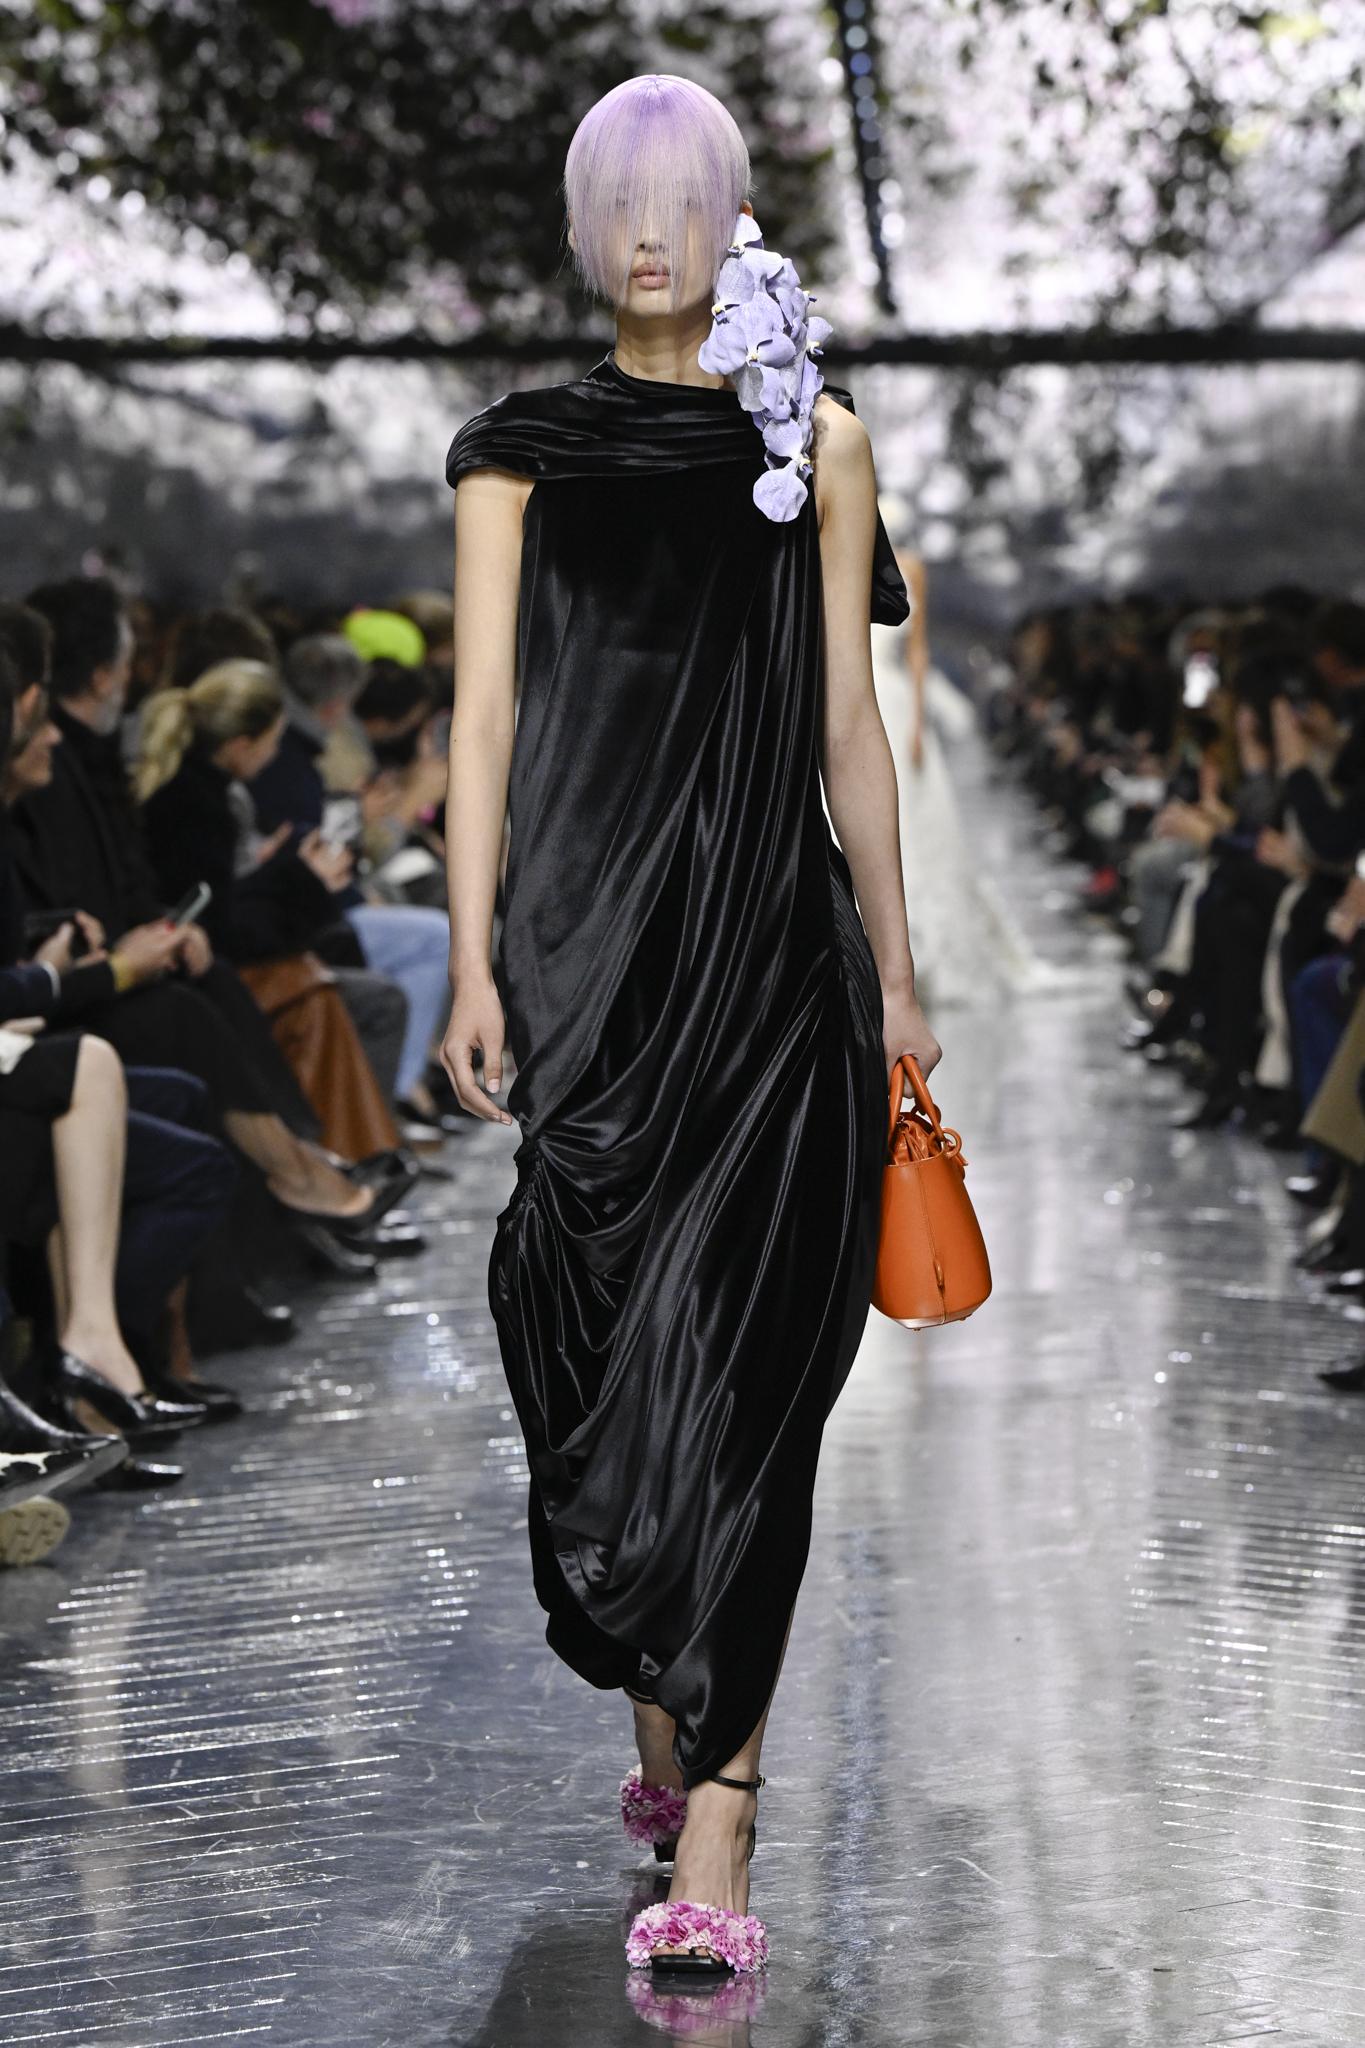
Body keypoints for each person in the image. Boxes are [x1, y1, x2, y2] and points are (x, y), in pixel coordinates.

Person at [441, 74, 938, 1979]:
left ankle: (719, 1806)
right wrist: (473, 963)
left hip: (769, 968)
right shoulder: (518, 453)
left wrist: (897, 978)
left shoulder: (813, 437)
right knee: (586, 1369)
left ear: (730, 218)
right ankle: (667, 1701)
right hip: (581, 970)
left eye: (683, 200)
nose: (650, 236)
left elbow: (844, 728)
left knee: (749, 1383)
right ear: (584, 229)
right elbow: (484, 723)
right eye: (618, 204)